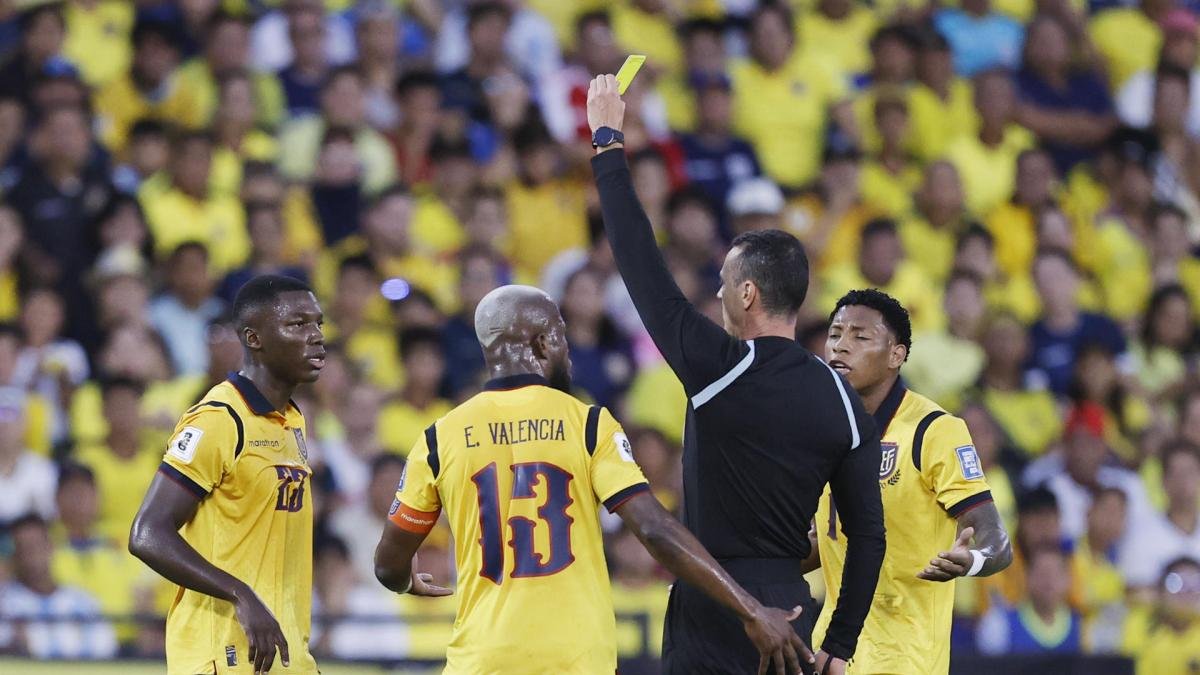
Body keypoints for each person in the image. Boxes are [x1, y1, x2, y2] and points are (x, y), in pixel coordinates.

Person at [588, 74, 885, 674]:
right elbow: (868, 537)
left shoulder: (719, 369)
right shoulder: (844, 398)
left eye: (725, 283)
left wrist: (607, 144)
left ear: (747, 293)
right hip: (792, 616)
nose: (719, 293)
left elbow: (640, 261)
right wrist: (840, 644)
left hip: (714, 608)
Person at [373, 285, 812, 675]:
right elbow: (654, 530)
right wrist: (751, 609)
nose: (567, 350)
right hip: (576, 661)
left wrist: (406, 580)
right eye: (561, 335)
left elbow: (388, 565)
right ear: (542, 343)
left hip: (480, 663)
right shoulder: (587, 424)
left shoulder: (439, 437)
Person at [128, 275, 326, 674]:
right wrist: (239, 594)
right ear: (254, 338)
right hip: (223, 653)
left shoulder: (292, 421)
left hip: (284, 655)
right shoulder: (220, 419)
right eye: (297, 324)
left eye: (318, 323)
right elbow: (148, 533)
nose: (317, 336)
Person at [809, 288, 1012, 674]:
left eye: (860, 336)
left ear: (896, 355)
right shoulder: (824, 432)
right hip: (832, 654)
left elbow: (997, 542)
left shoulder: (934, 430)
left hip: (905, 660)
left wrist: (972, 561)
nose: (841, 346)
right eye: (835, 334)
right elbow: (828, 541)